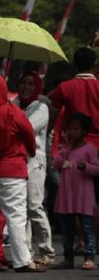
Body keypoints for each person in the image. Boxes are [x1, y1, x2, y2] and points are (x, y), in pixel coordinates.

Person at [0, 74, 46, 273]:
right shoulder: (12, 111)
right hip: (11, 171)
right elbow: (29, 135)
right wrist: (30, 152)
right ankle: (22, 260)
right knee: (16, 216)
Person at [14, 71, 56, 266]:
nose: (26, 87)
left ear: (37, 86)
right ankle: (27, 251)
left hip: (34, 162)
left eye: (31, 83)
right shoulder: (13, 104)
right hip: (16, 160)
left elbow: (28, 128)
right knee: (22, 208)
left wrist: (10, 119)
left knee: (34, 206)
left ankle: (47, 250)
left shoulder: (41, 107)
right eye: (23, 83)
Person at [52, 114, 99, 270]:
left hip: (83, 197)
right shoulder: (66, 150)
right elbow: (56, 164)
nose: (73, 132)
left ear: (84, 131)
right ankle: (68, 258)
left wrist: (85, 167)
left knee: (87, 228)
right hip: (67, 197)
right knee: (67, 230)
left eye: (76, 129)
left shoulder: (90, 149)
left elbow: (96, 169)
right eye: (70, 129)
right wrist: (64, 151)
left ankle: (90, 257)